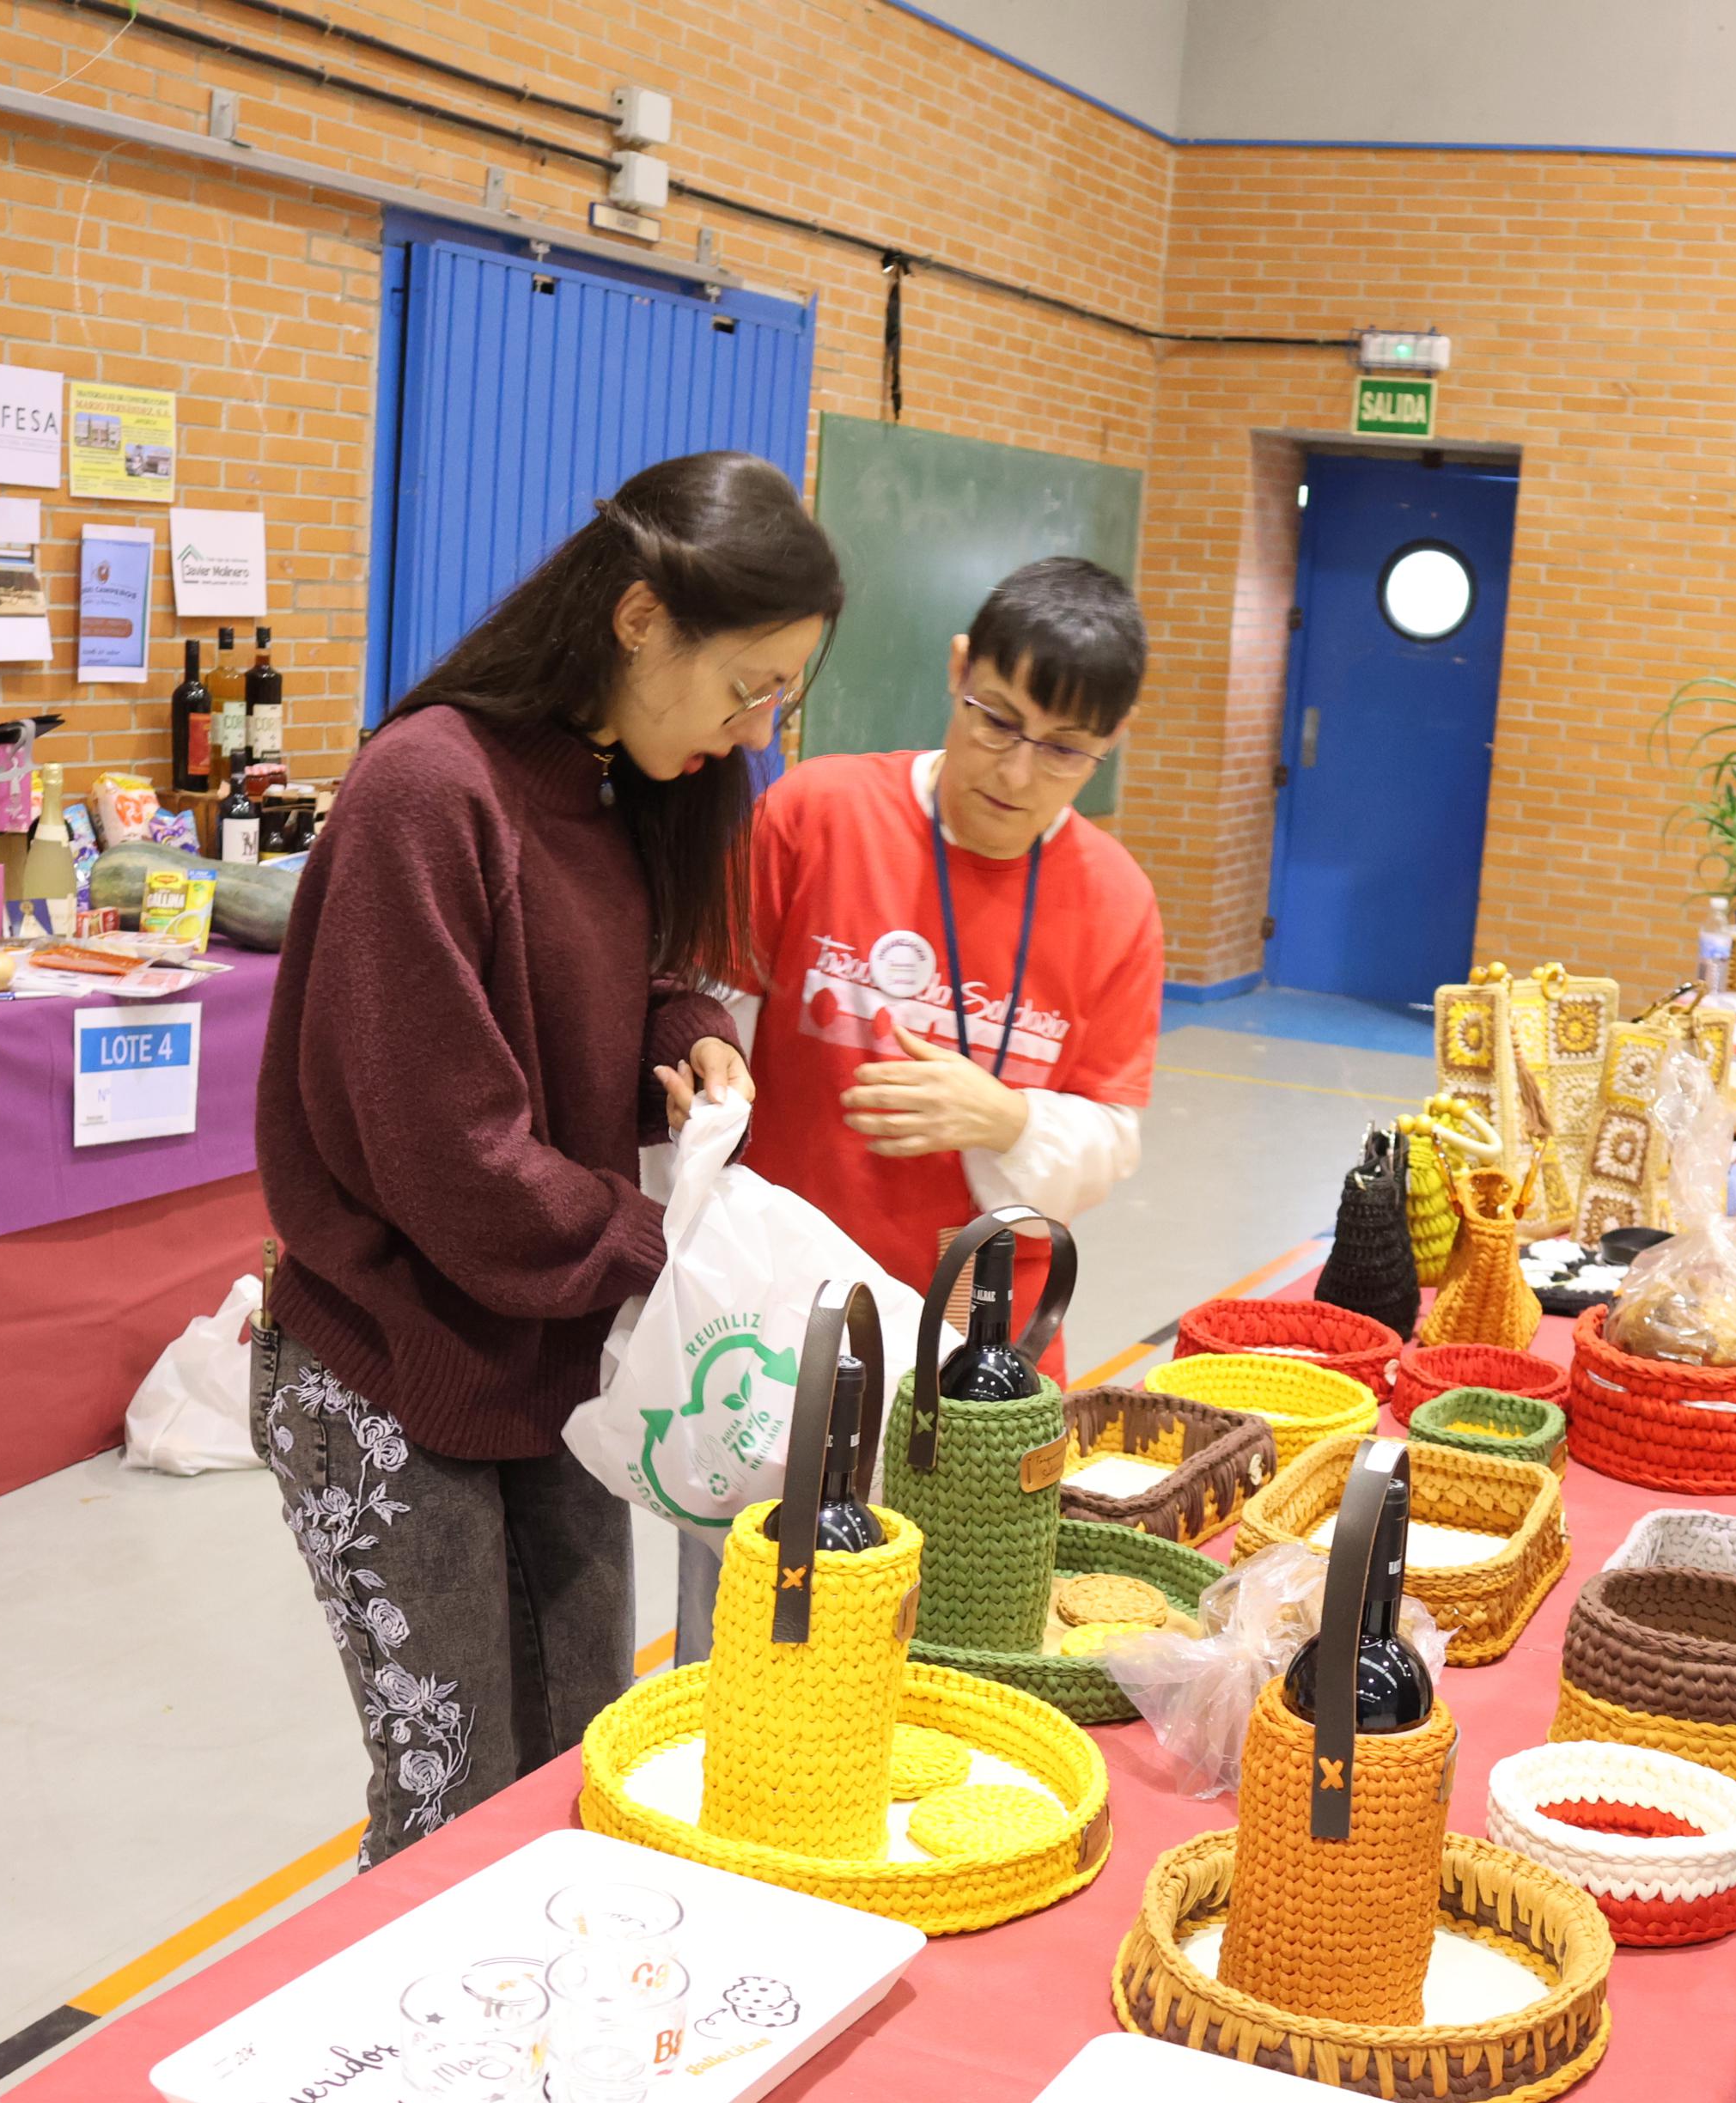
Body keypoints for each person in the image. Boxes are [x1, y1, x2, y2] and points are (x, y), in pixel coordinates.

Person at [249, 450, 840, 1864]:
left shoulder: (620, 784)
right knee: (451, 1803)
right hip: (388, 1370)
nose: (755, 726)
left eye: (781, 696)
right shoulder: (431, 790)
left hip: (551, 1353)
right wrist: (677, 1258)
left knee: (583, 1768)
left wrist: (684, 1033)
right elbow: (452, 1156)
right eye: (746, 684)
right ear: (640, 618)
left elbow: (618, 982)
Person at [738, 554, 1165, 1320]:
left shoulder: (1117, 901)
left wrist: (1010, 1121)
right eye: (997, 721)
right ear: (959, 666)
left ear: (1116, 735)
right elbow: (710, 1028)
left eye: (1064, 749)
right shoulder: (816, 813)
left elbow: (1110, 1137)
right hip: (774, 1290)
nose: (1016, 775)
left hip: (979, 1316)